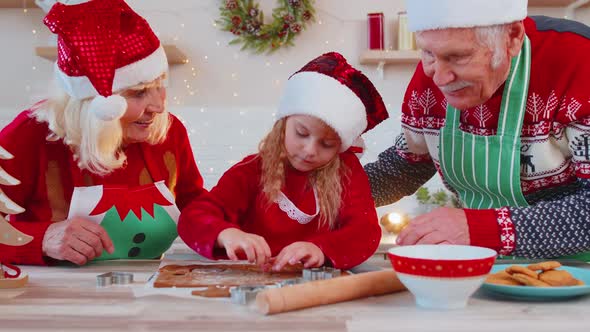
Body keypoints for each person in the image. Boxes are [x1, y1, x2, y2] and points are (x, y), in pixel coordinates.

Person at [364, 0, 590, 260]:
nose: (439, 78)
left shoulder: (579, 62)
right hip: (486, 267)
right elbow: (407, 166)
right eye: (427, 54)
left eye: (458, 57)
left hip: (581, 272)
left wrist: (481, 229)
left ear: (513, 37)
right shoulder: (435, 76)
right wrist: (329, 197)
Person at [0, 0, 206, 266]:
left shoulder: (169, 131)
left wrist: (226, 231)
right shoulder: (30, 134)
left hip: (146, 289)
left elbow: (195, 204)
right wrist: (43, 238)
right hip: (53, 296)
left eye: (160, 85)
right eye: (139, 93)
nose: (158, 106)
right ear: (93, 100)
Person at [178, 52, 388, 271]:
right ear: (283, 125)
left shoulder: (346, 173)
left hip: (315, 288)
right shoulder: (250, 171)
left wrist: (321, 249)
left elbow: (366, 231)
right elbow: (194, 217)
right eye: (301, 133)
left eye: (327, 145)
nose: (310, 151)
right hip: (251, 281)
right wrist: (226, 234)